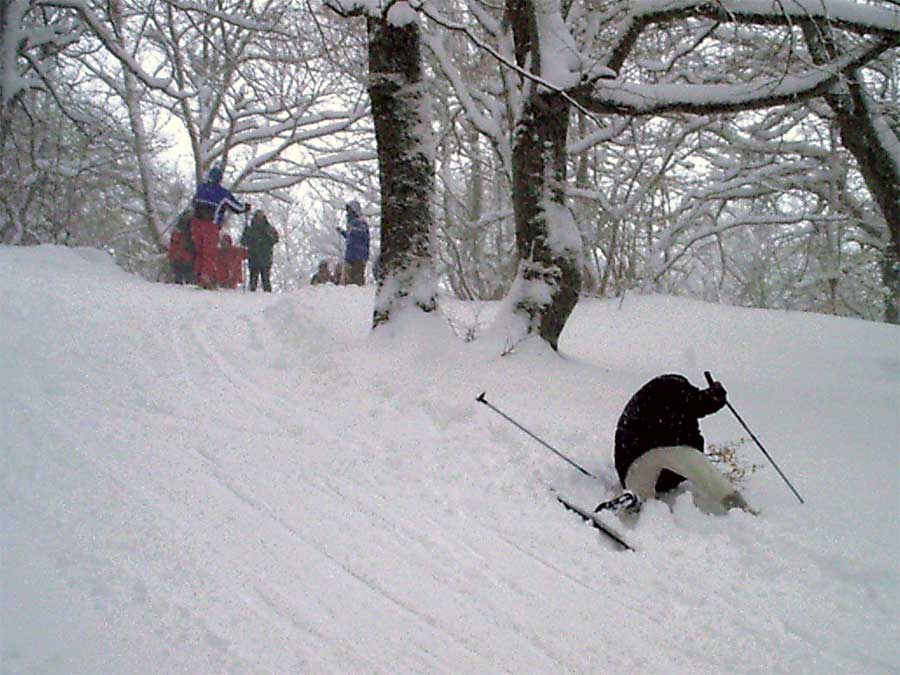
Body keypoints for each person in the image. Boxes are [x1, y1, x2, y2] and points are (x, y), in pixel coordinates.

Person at [601, 373, 750, 514]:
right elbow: (699, 402)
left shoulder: (651, 405)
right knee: (696, 464)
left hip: (631, 468)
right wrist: (715, 396)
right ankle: (738, 507)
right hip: (651, 450)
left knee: (642, 498)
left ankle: (629, 501)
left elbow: (697, 403)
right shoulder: (675, 388)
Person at [191, 165, 250, 288]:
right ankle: (206, 279)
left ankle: (199, 276)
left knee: (199, 251)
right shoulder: (222, 193)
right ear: (220, 179)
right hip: (210, 225)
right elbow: (236, 207)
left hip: (196, 224)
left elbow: (193, 202)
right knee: (209, 252)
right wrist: (245, 208)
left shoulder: (201, 189)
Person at [240, 209, 279, 292]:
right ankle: (252, 296)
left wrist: (267, 235)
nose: (259, 219)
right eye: (257, 217)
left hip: (265, 258)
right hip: (253, 257)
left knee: (266, 279)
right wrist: (246, 235)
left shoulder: (269, 229)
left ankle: (268, 295)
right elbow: (243, 242)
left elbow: (275, 239)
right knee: (253, 280)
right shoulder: (250, 229)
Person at [336, 200, 369, 286]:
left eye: (350, 210)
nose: (348, 212)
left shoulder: (361, 221)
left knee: (357, 279)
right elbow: (350, 237)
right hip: (350, 255)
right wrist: (343, 232)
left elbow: (362, 234)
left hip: (359, 256)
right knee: (348, 280)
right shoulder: (351, 222)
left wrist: (352, 230)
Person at [167, 209, 195, 284]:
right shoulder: (178, 228)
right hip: (179, 255)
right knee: (179, 273)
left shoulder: (193, 228)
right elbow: (174, 242)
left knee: (187, 274)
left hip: (187, 255)